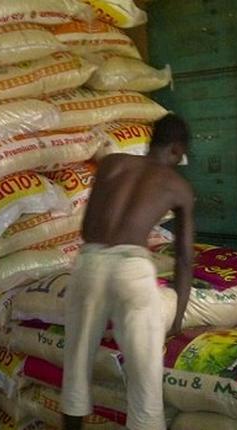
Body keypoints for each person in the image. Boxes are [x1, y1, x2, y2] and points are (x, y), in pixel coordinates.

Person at [61, 114, 195, 430]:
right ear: (176, 150)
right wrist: (177, 318)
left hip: (89, 262)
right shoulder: (179, 187)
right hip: (132, 270)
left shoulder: (111, 164)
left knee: (76, 364)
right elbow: (185, 258)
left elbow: (87, 226)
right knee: (144, 377)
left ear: (152, 140)